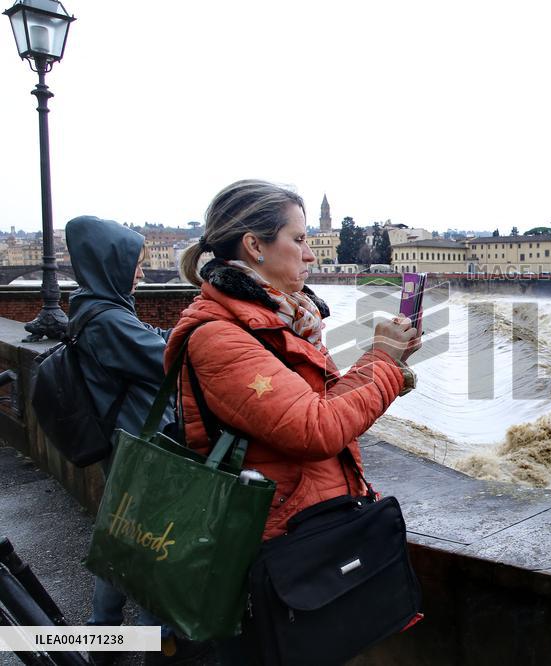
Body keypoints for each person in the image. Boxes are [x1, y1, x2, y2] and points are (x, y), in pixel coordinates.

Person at [164, 179, 419, 660]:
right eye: (298, 239)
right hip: (268, 548)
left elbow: (325, 405)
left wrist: (390, 363)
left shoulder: (281, 320)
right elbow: (316, 428)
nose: (310, 255)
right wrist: (382, 360)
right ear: (254, 245)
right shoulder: (219, 336)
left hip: (305, 528)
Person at [65, 216, 207, 665]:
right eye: (135, 264)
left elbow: (149, 346)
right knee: (152, 546)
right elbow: (165, 359)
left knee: (121, 537)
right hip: (141, 444)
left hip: (124, 440)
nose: (142, 272)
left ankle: (102, 636)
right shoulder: (107, 319)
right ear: (110, 264)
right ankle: (154, 641)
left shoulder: (95, 308)